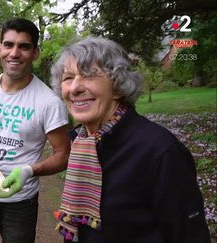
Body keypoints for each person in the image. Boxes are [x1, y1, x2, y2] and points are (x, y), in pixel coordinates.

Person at [50, 37, 211, 243]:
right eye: (68, 78)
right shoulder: (84, 143)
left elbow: (189, 236)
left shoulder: (160, 152)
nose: (74, 88)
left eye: (89, 75)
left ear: (117, 86)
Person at [0, 18, 71, 243]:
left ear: (35, 53)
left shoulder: (49, 102)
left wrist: (28, 171)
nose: (14, 53)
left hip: (21, 203)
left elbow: (63, 154)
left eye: (24, 46)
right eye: (8, 45)